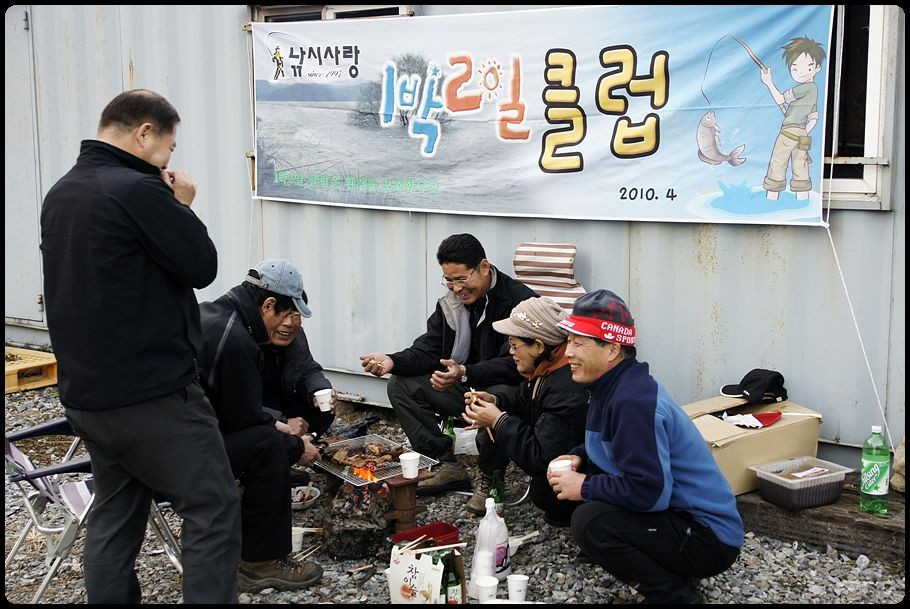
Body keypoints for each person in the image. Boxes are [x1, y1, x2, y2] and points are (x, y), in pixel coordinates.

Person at [39, 89, 242, 603]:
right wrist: (182, 205)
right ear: (144, 133)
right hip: (151, 393)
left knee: (116, 511)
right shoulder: (137, 188)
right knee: (212, 505)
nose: (169, 161)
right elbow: (201, 266)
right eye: (169, 148)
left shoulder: (63, 191)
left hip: (87, 393)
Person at [548, 290, 743, 604]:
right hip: (681, 519)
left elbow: (650, 493)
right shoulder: (611, 385)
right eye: (569, 340)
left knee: (589, 522)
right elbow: (614, 446)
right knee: (583, 504)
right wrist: (578, 456)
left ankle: (675, 596)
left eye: (579, 342)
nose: (568, 352)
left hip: (709, 537)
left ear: (612, 349)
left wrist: (583, 486)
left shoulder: (632, 403)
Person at [360, 233, 536, 494]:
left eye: (462, 279)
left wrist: (465, 372)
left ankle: (491, 480)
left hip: (510, 392)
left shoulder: (519, 302)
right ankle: (444, 464)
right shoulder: (452, 303)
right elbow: (429, 348)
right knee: (402, 384)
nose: (455, 288)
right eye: (449, 280)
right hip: (465, 385)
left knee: (492, 399)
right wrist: (392, 361)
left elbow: (516, 366)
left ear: (484, 267)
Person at [198, 258, 326, 591]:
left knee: (274, 436)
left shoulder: (213, 314)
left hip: (157, 440)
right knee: (268, 446)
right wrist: (295, 446)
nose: (291, 324)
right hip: (179, 458)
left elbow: (240, 412)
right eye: (287, 314)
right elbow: (245, 423)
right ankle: (259, 562)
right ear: (267, 305)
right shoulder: (235, 339)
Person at [462, 297, 588, 523]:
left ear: (539, 346)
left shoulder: (566, 386)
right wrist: (493, 400)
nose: (511, 352)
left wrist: (498, 421)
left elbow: (542, 456)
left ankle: (574, 515)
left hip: (578, 486)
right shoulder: (549, 367)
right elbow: (521, 398)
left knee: (544, 490)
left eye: (513, 344)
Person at [759, 36, 826, 201]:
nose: (800, 72)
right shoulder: (814, 90)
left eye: (807, 67)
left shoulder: (806, 88)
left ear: (817, 68)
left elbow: (780, 99)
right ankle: (802, 200)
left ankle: (771, 200)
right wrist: (803, 132)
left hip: (788, 133)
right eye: (795, 68)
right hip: (801, 134)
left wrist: (768, 82)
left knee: (777, 164)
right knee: (800, 166)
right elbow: (814, 117)